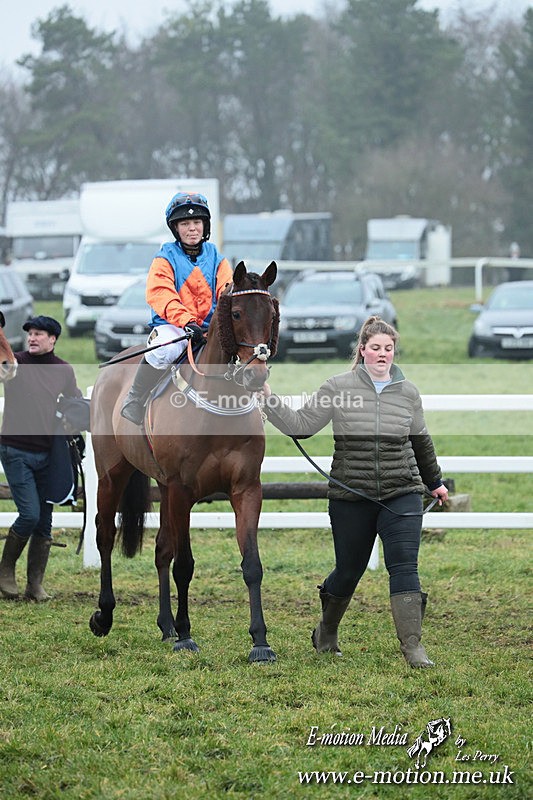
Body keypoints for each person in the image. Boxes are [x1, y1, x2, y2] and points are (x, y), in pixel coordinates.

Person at [261, 316, 448, 668]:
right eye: (375, 348)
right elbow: (301, 426)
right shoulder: (337, 386)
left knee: (405, 566)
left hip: (401, 490)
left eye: (388, 349)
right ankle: (327, 631)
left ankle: (413, 648)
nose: (382, 354)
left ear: (394, 352)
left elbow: (421, 441)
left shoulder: (408, 392)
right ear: (362, 350)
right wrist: (269, 399)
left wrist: (434, 481)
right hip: (351, 495)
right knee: (348, 571)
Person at [120, 192, 233, 425]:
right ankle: (136, 397)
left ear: (205, 225)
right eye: (185, 223)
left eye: (196, 222)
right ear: (176, 228)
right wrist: (187, 321)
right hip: (175, 327)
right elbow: (161, 294)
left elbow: (226, 292)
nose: (192, 228)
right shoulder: (164, 258)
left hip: (211, 329)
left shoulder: (217, 258)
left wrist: (219, 322)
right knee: (164, 351)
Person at [0, 316, 83, 601]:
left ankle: (34, 585)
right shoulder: (14, 363)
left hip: (49, 454)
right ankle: (5, 573)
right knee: (30, 514)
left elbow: (75, 400)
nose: (32, 338)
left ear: (53, 340)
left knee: (44, 521)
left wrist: (75, 419)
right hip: (15, 450)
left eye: (39, 334)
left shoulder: (64, 370)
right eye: (30, 334)